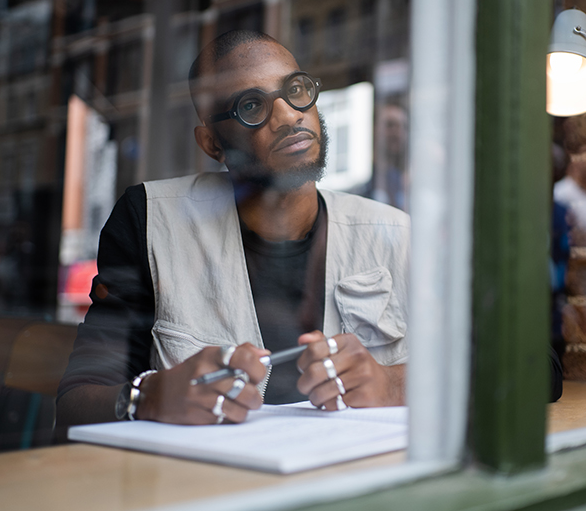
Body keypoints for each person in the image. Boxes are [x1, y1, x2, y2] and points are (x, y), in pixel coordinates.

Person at [56, 31, 409, 427]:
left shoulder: (392, 233)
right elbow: (74, 405)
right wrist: (150, 396)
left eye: (295, 90)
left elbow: (470, 370)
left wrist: (392, 385)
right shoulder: (151, 221)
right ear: (212, 143)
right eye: (252, 105)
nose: (289, 115)